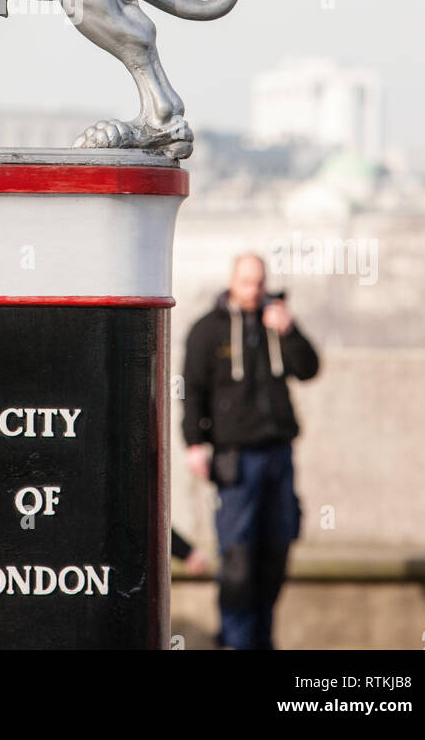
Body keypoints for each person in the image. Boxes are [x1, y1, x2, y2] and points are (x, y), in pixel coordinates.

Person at [182, 252, 319, 650]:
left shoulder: (275, 323)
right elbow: (192, 391)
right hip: (234, 458)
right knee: (238, 562)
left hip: (278, 454)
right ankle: (236, 641)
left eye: (258, 283)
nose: (253, 291)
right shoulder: (208, 331)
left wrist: (289, 332)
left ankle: (261, 640)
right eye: (246, 283)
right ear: (232, 282)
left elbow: (309, 369)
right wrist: (194, 443)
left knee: (275, 553)